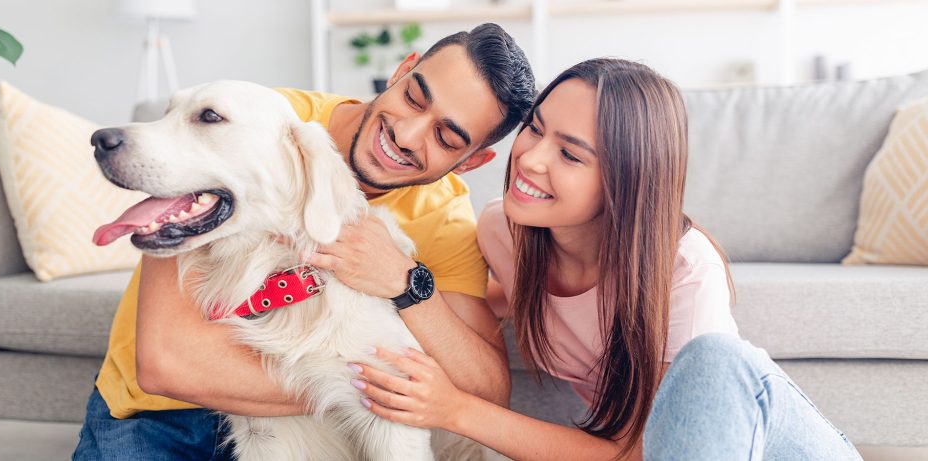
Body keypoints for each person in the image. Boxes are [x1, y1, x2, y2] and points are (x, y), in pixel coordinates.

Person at [350, 59, 863, 460]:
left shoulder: (684, 270)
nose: (529, 158)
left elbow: (645, 453)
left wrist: (457, 410)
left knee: (713, 359)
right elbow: (469, 311)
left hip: (767, 446)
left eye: (570, 155)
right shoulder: (506, 233)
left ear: (624, 182)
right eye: (534, 127)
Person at [73, 23, 536, 460]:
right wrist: (377, 388)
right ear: (401, 70)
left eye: (446, 136)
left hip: (308, 423)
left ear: (471, 163)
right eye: (414, 98)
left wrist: (405, 281)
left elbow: (483, 394)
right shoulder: (255, 122)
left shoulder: (443, 212)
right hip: (160, 412)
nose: (407, 133)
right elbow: (167, 365)